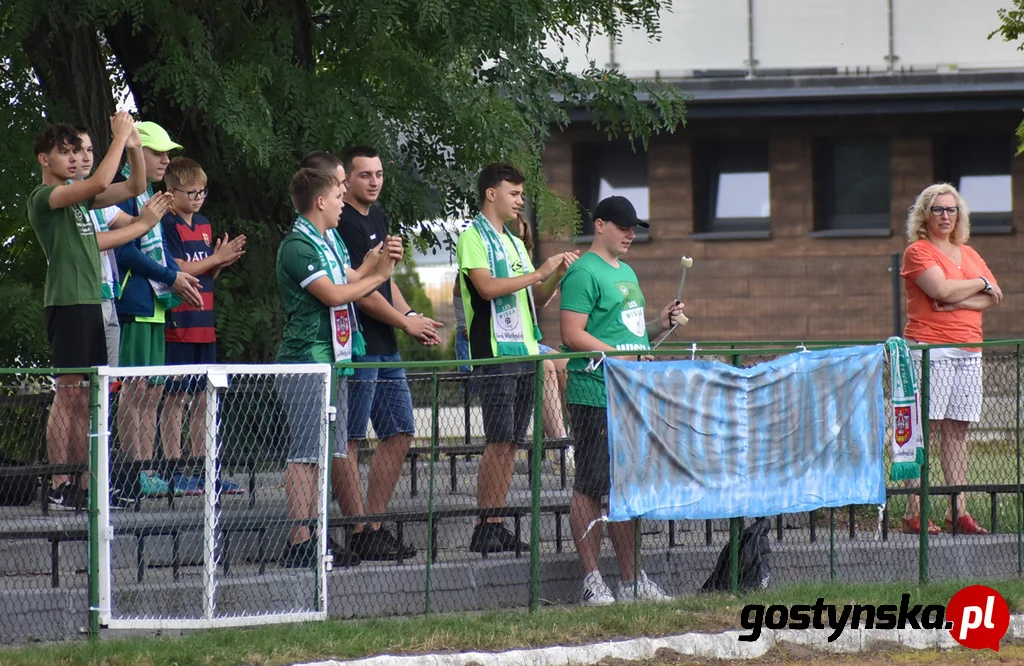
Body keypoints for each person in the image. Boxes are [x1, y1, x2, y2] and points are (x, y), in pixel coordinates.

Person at [27, 115, 170, 511]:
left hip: (92, 300)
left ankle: (87, 483)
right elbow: (102, 182)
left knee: (90, 396)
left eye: (78, 151)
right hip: (67, 302)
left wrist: (136, 147)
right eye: (65, 152)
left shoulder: (81, 198)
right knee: (69, 393)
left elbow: (136, 187)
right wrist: (120, 137)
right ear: (44, 158)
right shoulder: (46, 197)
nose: (74, 159)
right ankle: (60, 481)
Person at [276, 166, 402, 567]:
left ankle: (316, 536)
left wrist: (373, 264)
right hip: (307, 359)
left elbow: (350, 277)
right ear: (319, 202)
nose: (342, 203)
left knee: (323, 451)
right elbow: (333, 294)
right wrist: (378, 276)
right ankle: (300, 541)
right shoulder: (298, 245)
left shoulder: (326, 240)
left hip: (335, 358)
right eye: (336, 196)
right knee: (305, 454)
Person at [559, 195, 681, 605]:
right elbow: (572, 334)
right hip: (594, 392)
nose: (631, 233)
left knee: (625, 489)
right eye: (623, 225)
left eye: (634, 227)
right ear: (599, 225)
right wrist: (619, 355)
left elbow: (626, 333)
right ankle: (593, 580)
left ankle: (632, 581)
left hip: (628, 394)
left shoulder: (627, 272)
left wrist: (658, 324)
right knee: (590, 485)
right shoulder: (582, 272)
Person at [455, 163, 578, 555]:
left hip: (525, 351)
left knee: (512, 442)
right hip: (493, 352)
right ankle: (484, 523)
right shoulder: (472, 237)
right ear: (492, 193)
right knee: (499, 439)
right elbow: (487, 288)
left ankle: (495, 521)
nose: (520, 200)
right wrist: (537, 271)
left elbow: (535, 298)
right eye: (514, 193)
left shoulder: (512, 241)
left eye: (522, 194)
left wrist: (554, 274)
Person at [332, 146, 442, 561]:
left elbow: (384, 281)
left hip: (387, 345)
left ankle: (374, 525)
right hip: (356, 345)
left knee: (400, 431)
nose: (374, 181)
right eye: (364, 175)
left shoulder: (379, 216)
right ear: (347, 180)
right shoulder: (341, 221)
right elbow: (358, 294)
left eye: (379, 174)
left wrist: (412, 315)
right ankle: (356, 529)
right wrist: (404, 322)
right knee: (352, 437)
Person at [899, 183, 1002, 536]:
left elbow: (995, 296)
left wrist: (961, 298)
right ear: (924, 214)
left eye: (951, 209)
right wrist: (978, 284)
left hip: (969, 349)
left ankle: (957, 509)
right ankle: (914, 510)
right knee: (924, 430)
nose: (945, 216)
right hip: (931, 348)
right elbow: (938, 289)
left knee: (957, 429)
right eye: (938, 209)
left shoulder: (968, 252)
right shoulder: (918, 251)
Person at [114, 121, 203, 499]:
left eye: (167, 152)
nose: (166, 159)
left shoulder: (150, 192)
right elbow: (126, 250)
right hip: (133, 302)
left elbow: (158, 252)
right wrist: (172, 275)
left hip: (155, 303)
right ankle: (136, 471)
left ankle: (149, 470)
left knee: (153, 391)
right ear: (136, 152)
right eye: (158, 153)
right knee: (134, 392)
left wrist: (176, 279)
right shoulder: (120, 192)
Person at [159, 157, 246, 496]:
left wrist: (218, 262)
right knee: (176, 400)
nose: (197, 198)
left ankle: (204, 469)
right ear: (172, 192)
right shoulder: (166, 224)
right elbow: (179, 267)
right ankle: (174, 469)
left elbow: (206, 271)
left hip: (204, 322)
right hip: (179, 322)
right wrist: (216, 259)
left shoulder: (206, 225)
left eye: (202, 192)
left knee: (203, 400)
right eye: (191, 192)